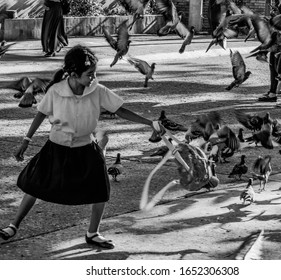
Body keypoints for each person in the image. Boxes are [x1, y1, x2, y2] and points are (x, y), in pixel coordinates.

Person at [0, 45, 162, 249]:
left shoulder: (98, 90)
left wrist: (150, 123)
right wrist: (26, 139)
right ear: (74, 74)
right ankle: (13, 225)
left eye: (94, 73)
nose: (93, 78)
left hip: (86, 147)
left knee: (100, 190)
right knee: (34, 186)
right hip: (56, 147)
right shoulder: (56, 91)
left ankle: (93, 233)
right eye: (89, 74)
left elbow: (121, 110)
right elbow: (41, 112)